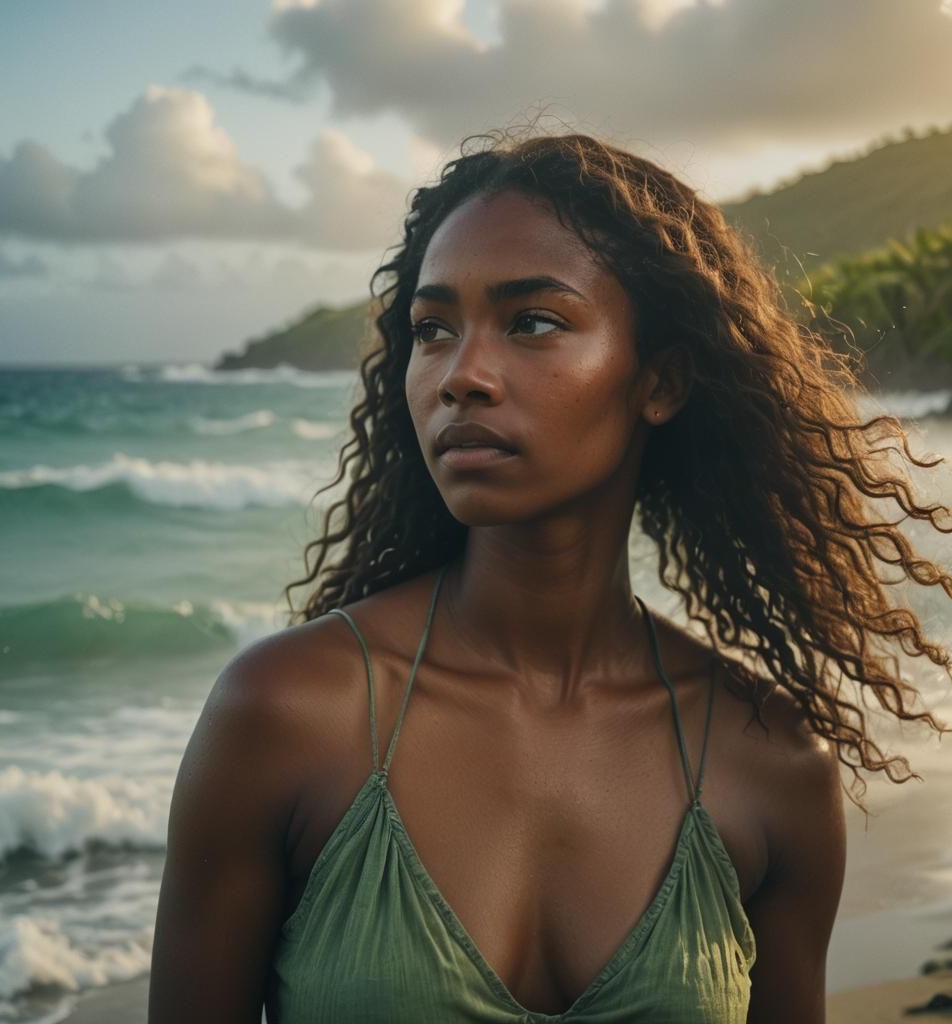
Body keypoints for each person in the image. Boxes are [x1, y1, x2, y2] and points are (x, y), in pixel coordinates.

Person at [148, 129, 951, 1023]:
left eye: (533, 321)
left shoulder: (768, 763)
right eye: (432, 329)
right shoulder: (289, 714)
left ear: (662, 382)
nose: (462, 375)